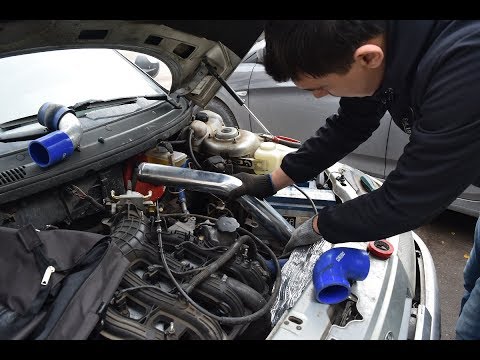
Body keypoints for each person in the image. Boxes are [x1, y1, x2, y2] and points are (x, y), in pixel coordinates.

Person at [228, 20, 480, 340]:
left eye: (324, 86)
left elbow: (406, 201)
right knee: (471, 284)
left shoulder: (465, 69)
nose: (319, 96)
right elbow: (349, 125)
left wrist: (319, 227)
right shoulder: (387, 42)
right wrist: (271, 182)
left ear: (367, 57)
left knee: (471, 330)